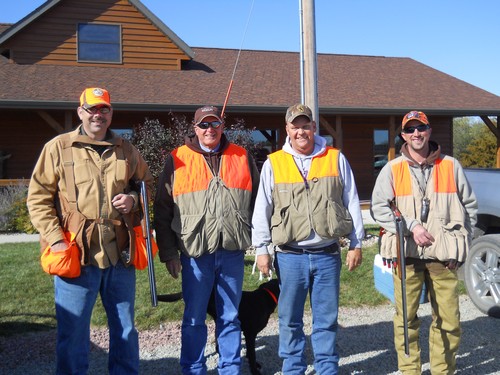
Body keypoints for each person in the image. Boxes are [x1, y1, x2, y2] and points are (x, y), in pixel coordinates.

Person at [27, 87, 153, 374]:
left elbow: (145, 186)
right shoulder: (58, 147)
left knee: (125, 329)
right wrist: (57, 241)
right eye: (92, 109)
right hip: (76, 254)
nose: (98, 114)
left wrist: (133, 199)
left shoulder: (127, 149)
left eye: (104, 109)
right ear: (80, 112)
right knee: (73, 335)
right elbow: (37, 198)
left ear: (111, 114)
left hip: (119, 255)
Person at [252, 103, 365, 374]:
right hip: (290, 256)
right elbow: (262, 207)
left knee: (326, 320)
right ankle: (293, 368)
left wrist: (356, 243)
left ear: (314, 127)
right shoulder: (274, 163)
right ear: (287, 130)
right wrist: (262, 248)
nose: (301, 131)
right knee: (290, 320)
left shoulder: (335, 157)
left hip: (327, 254)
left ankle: (327, 368)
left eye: (306, 125)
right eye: (295, 126)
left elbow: (351, 200)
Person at [154, 105, 260, 374]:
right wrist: (168, 253)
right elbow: (163, 210)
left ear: (222, 126)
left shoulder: (242, 156)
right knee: (193, 319)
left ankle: (230, 369)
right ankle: (193, 368)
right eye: (204, 125)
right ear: (195, 128)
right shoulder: (177, 159)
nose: (209, 129)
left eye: (214, 124)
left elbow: (259, 204)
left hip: (232, 253)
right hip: (194, 254)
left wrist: (262, 245)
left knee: (230, 317)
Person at [370, 110, 478, 374]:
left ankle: (443, 371)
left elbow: (470, 209)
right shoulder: (392, 169)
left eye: (421, 128)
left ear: (429, 131)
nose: (416, 134)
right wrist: (412, 225)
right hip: (406, 254)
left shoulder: (451, 165)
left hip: (444, 257)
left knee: (449, 320)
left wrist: (461, 243)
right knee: (406, 321)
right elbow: (379, 208)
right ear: (403, 136)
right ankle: (411, 371)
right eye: (410, 130)